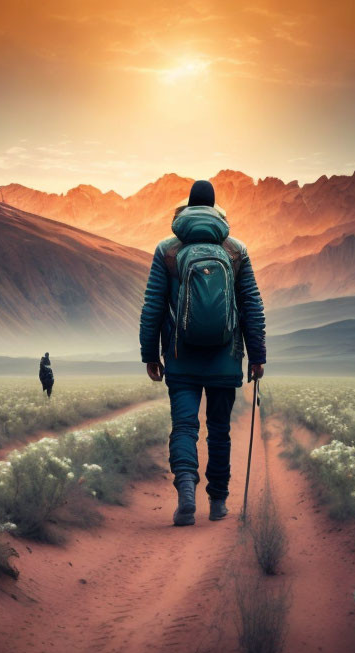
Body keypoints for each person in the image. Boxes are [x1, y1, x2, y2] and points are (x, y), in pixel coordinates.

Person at [139, 179, 266, 526]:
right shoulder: (236, 250)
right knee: (220, 430)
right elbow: (251, 306)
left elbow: (152, 306)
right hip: (226, 359)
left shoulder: (167, 250)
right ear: (216, 210)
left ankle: (185, 489)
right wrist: (257, 356)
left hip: (181, 357)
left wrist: (150, 353)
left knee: (183, 427)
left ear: (186, 209)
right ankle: (219, 501)